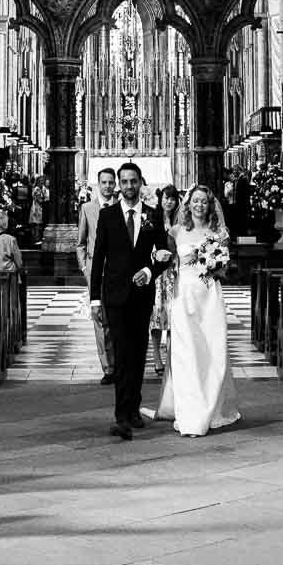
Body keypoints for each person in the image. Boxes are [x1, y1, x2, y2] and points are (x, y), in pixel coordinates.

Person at [147, 182, 240, 437]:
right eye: (195, 200)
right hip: (183, 296)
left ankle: (211, 406)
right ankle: (190, 413)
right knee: (185, 353)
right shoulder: (176, 231)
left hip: (209, 297)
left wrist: (214, 264)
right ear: (188, 204)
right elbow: (167, 262)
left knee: (212, 351)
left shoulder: (219, 232)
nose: (199, 205)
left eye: (204, 201)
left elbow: (226, 270)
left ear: (210, 205)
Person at [89, 161, 174, 439]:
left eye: (133, 181)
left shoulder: (152, 216)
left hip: (141, 296)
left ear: (140, 183)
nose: (128, 186)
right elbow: (98, 257)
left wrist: (150, 270)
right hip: (114, 295)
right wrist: (94, 299)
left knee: (138, 354)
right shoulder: (108, 215)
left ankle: (134, 408)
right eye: (123, 181)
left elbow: (164, 254)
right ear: (119, 184)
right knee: (122, 354)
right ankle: (121, 415)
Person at [75, 166, 119, 385]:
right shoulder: (87, 208)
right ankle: (107, 367)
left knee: (117, 319)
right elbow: (80, 243)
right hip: (96, 273)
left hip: (118, 272)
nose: (108, 186)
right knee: (99, 319)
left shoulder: (121, 207)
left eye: (111, 182)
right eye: (104, 182)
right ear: (98, 184)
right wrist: (85, 268)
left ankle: (118, 362)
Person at [148, 184, 182, 374]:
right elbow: (146, 243)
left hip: (175, 271)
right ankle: (156, 357)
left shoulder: (180, 220)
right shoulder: (153, 218)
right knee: (157, 315)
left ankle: (171, 356)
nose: (169, 201)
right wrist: (155, 255)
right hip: (159, 274)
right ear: (161, 200)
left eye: (172, 198)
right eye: (166, 198)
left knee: (173, 316)